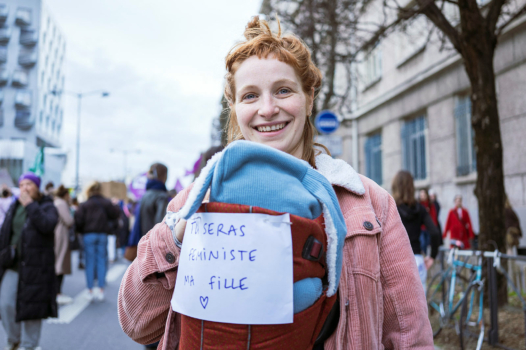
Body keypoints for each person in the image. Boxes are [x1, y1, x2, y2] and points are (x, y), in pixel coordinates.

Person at [118, 17, 435, 349]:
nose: (268, 109)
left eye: (283, 90)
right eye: (251, 96)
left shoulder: (369, 202)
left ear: (309, 97)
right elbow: (138, 323)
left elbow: (409, 334)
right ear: (235, 107)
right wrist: (178, 232)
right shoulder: (196, 200)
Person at [0, 172, 58, 350]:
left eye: (29, 184)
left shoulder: (47, 206)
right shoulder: (14, 205)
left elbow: (47, 225)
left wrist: (31, 205)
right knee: (5, 304)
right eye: (22, 184)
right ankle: (14, 338)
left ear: (37, 187)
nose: (25, 188)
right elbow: (6, 232)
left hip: (37, 266)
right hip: (14, 264)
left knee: (32, 309)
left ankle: (29, 345)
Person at [392, 172, 441, 293]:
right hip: (417, 260)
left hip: (397, 261)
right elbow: (435, 232)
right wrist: (432, 256)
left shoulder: (392, 208)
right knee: (420, 307)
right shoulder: (420, 209)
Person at [74, 181, 120, 302]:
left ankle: (89, 290)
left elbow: (78, 220)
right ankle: (100, 289)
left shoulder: (85, 204)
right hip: (102, 234)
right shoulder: (106, 202)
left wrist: (80, 230)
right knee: (101, 260)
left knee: (89, 262)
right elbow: (116, 214)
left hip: (88, 234)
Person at [53, 185, 74, 305]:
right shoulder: (61, 204)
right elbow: (69, 220)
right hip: (60, 235)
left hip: (57, 234)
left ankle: (57, 292)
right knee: (59, 263)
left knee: (57, 261)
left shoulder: (56, 202)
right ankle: (57, 293)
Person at [139, 163, 170, 239]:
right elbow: (161, 224)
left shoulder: (145, 195)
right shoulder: (161, 196)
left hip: (144, 240)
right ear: (164, 176)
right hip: (154, 242)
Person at [418, 188, 438, 256]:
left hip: (428, 228)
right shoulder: (418, 205)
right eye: (421, 195)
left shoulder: (430, 205)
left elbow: (433, 216)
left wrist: (433, 226)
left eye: (423, 195)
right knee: (422, 243)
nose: (422, 196)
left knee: (428, 243)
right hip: (420, 228)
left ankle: (426, 256)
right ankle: (423, 255)